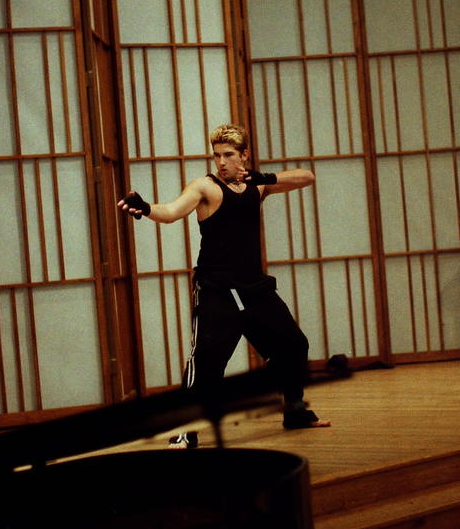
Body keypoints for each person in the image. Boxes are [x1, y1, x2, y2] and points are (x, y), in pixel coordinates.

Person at [118, 123, 330, 448]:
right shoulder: (206, 187)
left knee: (293, 346)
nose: (221, 162)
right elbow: (171, 212)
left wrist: (262, 178)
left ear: (244, 155)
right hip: (217, 290)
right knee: (207, 362)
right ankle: (184, 430)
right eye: (216, 155)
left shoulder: (258, 186)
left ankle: (296, 411)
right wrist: (146, 209)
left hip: (254, 288)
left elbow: (307, 177)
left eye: (228, 155)